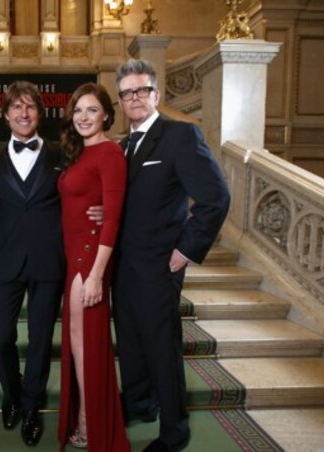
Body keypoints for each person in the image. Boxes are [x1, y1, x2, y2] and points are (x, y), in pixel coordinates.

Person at [112, 59, 231, 452]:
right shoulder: (122, 145)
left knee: (162, 346)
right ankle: (140, 403)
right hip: (123, 265)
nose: (135, 98)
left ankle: (174, 431)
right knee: (129, 341)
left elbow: (215, 199)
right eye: (128, 93)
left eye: (142, 90)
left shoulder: (180, 136)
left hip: (160, 264)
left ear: (156, 94)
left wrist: (185, 249)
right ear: (121, 100)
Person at [0, 81, 64, 446]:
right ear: (5, 116)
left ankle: (31, 407)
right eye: (16, 107)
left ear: (40, 114)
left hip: (49, 261)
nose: (24, 113)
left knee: (40, 340)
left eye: (30, 106)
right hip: (5, 260)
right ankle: (12, 394)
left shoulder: (62, 154)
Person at [56, 82, 129, 451]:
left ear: (106, 115)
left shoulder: (110, 153)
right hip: (75, 259)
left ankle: (90, 422)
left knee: (86, 346)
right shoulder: (77, 153)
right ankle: (86, 416)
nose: (83, 117)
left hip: (89, 261)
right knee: (78, 344)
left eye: (92, 110)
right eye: (78, 111)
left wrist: (97, 274)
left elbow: (112, 218)